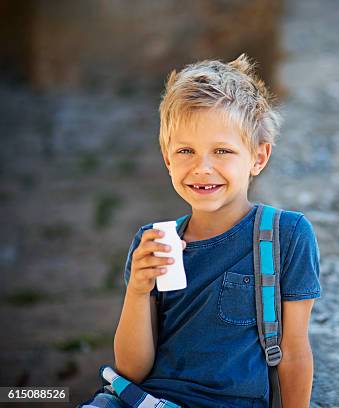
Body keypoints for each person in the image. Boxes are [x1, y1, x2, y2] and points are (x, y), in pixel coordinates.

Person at [79, 54, 321, 407]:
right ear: (167, 158)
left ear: (258, 157)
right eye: (186, 151)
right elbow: (131, 369)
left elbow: (294, 352)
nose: (202, 168)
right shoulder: (152, 244)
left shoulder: (287, 235)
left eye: (222, 151)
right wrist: (138, 290)